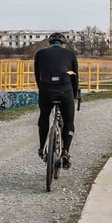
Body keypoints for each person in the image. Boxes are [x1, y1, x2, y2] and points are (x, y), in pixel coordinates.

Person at [34, 32, 79, 168]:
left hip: (46, 91)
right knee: (69, 121)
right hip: (65, 91)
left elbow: (38, 75)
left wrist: (42, 89)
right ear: (63, 44)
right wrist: (74, 93)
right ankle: (65, 151)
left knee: (44, 117)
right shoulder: (70, 54)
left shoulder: (40, 54)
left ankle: (42, 148)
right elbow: (74, 77)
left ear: (50, 43)